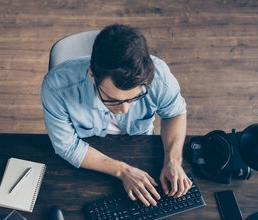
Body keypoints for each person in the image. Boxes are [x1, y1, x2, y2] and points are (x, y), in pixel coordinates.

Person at [41, 24, 192, 206]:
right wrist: (123, 171)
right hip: (89, 153)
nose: (125, 109)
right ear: (92, 75)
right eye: (113, 100)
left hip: (140, 145)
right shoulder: (56, 86)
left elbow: (174, 113)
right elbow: (68, 147)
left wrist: (173, 160)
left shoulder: (160, 76)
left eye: (135, 98)